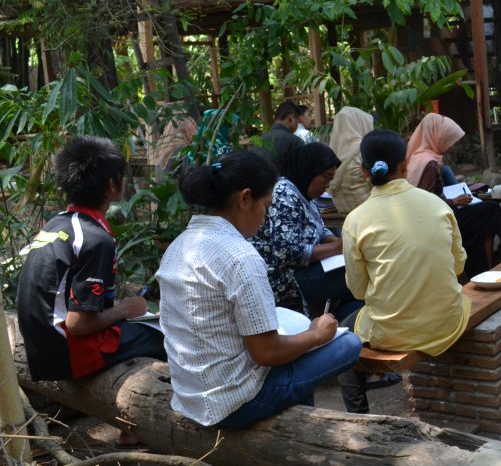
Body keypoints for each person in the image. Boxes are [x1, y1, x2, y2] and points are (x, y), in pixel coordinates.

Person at [156, 151, 362, 427]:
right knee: (348, 344)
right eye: (266, 205)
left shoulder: (180, 245)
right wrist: (316, 335)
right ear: (244, 198)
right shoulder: (241, 256)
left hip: (189, 396)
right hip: (233, 403)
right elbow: (267, 353)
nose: (266, 217)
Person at [339, 130, 471, 412]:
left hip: (394, 333)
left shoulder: (355, 221)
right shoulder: (438, 205)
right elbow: (458, 266)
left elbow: (359, 291)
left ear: (364, 171)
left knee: (340, 336)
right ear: (405, 165)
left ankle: (359, 418)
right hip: (448, 321)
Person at [17, 136, 166, 383]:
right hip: (67, 353)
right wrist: (125, 309)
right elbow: (77, 324)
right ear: (111, 184)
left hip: (41, 348)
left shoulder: (57, 224)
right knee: (166, 334)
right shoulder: (95, 238)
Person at [250, 143, 360, 320]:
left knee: (357, 276)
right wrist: (336, 248)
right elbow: (286, 252)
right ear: (310, 169)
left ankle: (343, 322)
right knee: (354, 273)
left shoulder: (303, 194)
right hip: (282, 278)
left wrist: (335, 241)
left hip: (304, 270)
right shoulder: (284, 193)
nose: (327, 185)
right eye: (326, 177)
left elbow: (319, 227)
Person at [407, 113, 501, 278]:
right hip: (436, 221)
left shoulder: (419, 157)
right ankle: (497, 255)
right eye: (447, 140)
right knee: (490, 210)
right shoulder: (428, 164)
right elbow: (427, 203)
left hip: (433, 217)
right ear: (437, 137)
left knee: (484, 211)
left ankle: (489, 261)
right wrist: (454, 201)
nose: (450, 146)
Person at [328, 105, 375, 214]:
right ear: (360, 123)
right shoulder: (363, 150)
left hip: (343, 210)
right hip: (367, 210)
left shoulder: (333, 149)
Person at [254, 100, 305, 168]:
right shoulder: (294, 141)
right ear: (291, 118)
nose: (297, 125)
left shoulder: (258, 141)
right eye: (297, 122)